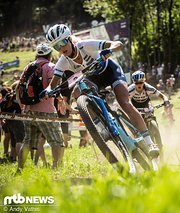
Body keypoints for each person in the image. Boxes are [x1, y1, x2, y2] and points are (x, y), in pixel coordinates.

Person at [43, 24, 159, 158]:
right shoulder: (62, 62)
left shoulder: (85, 45)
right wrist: (47, 91)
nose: (61, 48)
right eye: (57, 46)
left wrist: (109, 50)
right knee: (76, 91)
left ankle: (150, 143)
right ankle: (101, 126)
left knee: (124, 103)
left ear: (69, 39)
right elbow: (53, 84)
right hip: (94, 79)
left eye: (63, 42)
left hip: (110, 72)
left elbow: (118, 43)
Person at [16, 43, 64, 171]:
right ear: (50, 54)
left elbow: (18, 88)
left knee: (27, 141)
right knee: (56, 141)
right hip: (46, 111)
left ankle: (19, 169)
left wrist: (22, 105)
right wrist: (61, 100)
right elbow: (53, 87)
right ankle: (56, 168)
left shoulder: (28, 67)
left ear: (37, 53)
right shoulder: (50, 67)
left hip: (28, 110)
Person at [128, 70, 170, 154]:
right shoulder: (130, 89)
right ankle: (137, 144)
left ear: (144, 81)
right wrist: (132, 110)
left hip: (146, 105)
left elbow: (162, 95)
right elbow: (127, 100)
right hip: (135, 106)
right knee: (134, 126)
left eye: (141, 82)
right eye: (136, 83)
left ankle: (156, 134)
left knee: (151, 114)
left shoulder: (148, 87)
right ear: (133, 83)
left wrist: (166, 100)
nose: (139, 85)